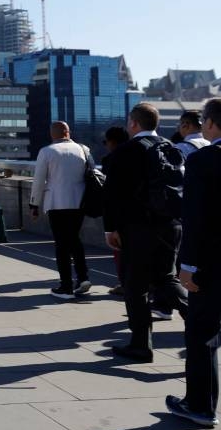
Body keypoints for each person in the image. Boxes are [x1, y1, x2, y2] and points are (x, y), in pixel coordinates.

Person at [103, 102, 188, 362]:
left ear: (133, 123)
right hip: (172, 224)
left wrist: (110, 228)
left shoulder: (125, 152)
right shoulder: (170, 147)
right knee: (166, 278)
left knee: (135, 285)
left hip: (139, 227)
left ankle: (141, 344)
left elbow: (112, 195)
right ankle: (204, 320)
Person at [167, 98, 221, 428]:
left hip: (212, 263)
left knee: (202, 333)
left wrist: (187, 265)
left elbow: (195, 217)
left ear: (212, 124)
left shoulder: (204, 161)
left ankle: (200, 406)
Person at [30, 122, 92, 299]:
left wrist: (34, 205)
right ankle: (83, 278)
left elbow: (38, 181)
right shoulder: (84, 149)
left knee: (61, 245)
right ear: (68, 132)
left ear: (52, 134)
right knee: (75, 240)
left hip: (56, 203)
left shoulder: (47, 151)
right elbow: (92, 173)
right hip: (79, 202)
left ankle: (66, 286)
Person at [102, 126, 130, 296]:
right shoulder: (140, 153)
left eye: (106, 142)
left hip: (122, 217)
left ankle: (125, 284)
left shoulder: (111, 159)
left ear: (112, 142)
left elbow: (110, 195)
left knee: (122, 254)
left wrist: (110, 227)